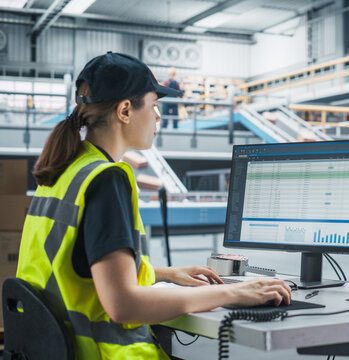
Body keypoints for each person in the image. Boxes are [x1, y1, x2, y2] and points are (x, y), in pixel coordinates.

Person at [16, 52, 291, 359]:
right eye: (154, 105)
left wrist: (164, 273)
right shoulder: (107, 179)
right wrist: (233, 292)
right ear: (125, 111)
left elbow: (79, 272)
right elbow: (123, 306)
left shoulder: (64, 170)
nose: (158, 116)